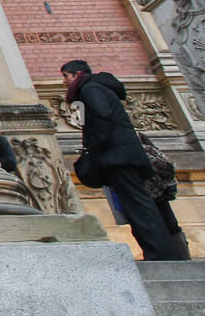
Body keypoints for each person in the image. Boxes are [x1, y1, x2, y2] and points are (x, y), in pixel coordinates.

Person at [62, 60, 185, 261]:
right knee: (140, 203)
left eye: (66, 76)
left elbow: (102, 117)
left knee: (137, 205)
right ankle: (163, 251)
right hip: (125, 154)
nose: (64, 82)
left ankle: (160, 253)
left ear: (76, 74)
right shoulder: (99, 87)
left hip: (117, 157)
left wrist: (95, 146)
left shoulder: (90, 89)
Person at [139, 131, 192, 261]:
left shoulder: (132, 139)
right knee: (169, 223)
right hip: (159, 188)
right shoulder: (139, 137)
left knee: (158, 224)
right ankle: (181, 255)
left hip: (145, 189)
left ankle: (171, 255)